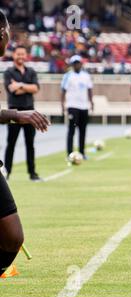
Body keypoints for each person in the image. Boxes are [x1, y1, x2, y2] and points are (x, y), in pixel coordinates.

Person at [0, 10, 50, 277]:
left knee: (12, 237)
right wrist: (20, 114)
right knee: (12, 235)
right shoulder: (8, 71)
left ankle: (28, 171)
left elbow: (32, 89)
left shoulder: (25, 71)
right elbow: (13, 92)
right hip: (18, 115)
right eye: (8, 32)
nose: (9, 39)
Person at [3, 45, 41, 181]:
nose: (20, 56)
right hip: (14, 113)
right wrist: (27, 87)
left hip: (30, 113)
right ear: (14, 55)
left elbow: (36, 88)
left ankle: (32, 173)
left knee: (30, 144)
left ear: (26, 55)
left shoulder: (31, 71)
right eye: (18, 54)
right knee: (11, 144)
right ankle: (6, 173)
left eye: (23, 54)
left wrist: (19, 84)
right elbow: (12, 90)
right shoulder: (8, 72)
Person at [61, 55, 94, 160]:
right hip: (72, 106)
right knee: (71, 130)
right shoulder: (68, 76)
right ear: (72, 65)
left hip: (83, 106)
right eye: (74, 63)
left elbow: (89, 89)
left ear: (81, 64)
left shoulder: (86, 76)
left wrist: (91, 102)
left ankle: (82, 152)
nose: (77, 65)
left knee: (83, 131)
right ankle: (70, 153)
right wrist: (63, 104)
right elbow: (63, 91)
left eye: (78, 63)